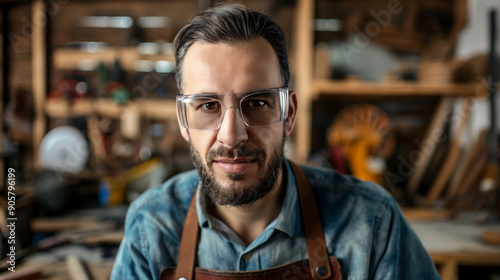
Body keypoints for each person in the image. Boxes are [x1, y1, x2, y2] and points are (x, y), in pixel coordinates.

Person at [111, 3, 440, 280]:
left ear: (289, 113)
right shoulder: (150, 226)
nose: (231, 134)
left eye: (256, 103)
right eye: (208, 106)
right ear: (183, 120)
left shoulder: (371, 222)